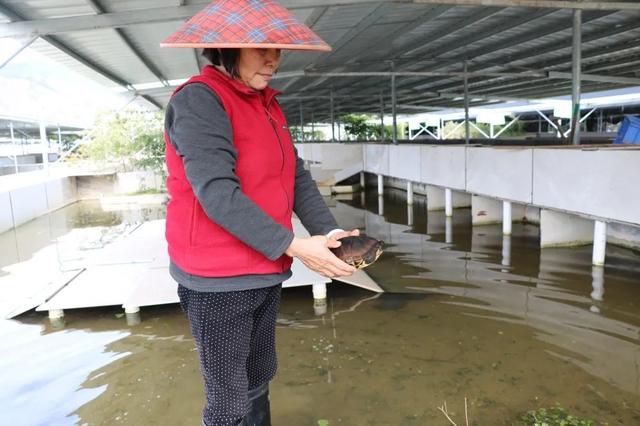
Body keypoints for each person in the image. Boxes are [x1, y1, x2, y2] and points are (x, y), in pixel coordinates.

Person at [161, 1, 358, 425]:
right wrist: (294, 245)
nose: (273, 59)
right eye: (260, 48)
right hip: (217, 277)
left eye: (277, 49)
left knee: (257, 377)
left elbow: (296, 177)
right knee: (228, 398)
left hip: (265, 265)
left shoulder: (266, 104)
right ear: (226, 49)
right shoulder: (200, 100)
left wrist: (329, 232)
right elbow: (217, 194)